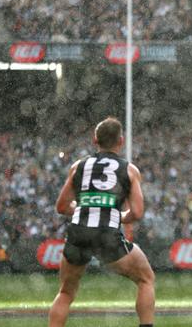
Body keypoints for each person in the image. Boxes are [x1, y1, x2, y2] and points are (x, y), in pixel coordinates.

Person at [49, 117, 155, 327]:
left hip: (79, 231)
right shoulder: (129, 170)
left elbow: (61, 207)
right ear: (121, 141)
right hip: (107, 234)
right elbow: (138, 211)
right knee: (146, 279)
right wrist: (120, 217)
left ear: (94, 140)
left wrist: (84, 209)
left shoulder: (78, 166)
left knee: (66, 292)